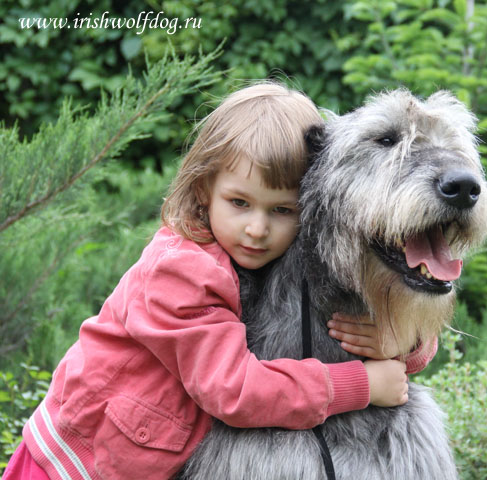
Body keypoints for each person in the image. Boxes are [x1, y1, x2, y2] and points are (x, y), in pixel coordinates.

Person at [2, 83, 436, 480]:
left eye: (282, 210)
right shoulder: (180, 271)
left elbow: (360, 312)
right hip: (79, 463)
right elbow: (235, 390)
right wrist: (360, 386)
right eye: (239, 203)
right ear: (203, 188)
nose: (257, 229)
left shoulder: (274, 251)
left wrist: (401, 344)